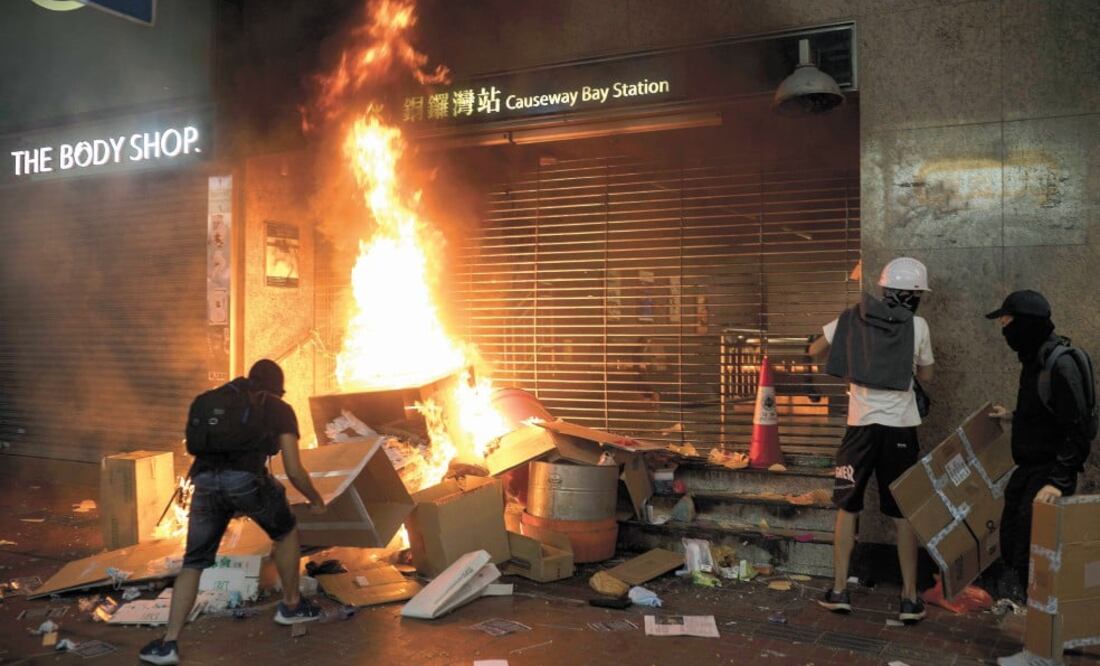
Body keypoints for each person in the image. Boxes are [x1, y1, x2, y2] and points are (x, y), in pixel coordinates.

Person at [140, 359, 327, 666]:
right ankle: (291, 607)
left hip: (204, 482)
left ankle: (168, 643)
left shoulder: (221, 398)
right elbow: (293, 469)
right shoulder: (279, 408)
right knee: (286, 530)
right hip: (245, 481)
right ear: (278, 389)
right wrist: (316, 499)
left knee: (194, 562)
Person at [808, 257, 934, 624]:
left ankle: (838, 591)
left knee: (848, 506)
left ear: (884, 289)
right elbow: (928, 373)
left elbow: (815, 349)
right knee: (902, 512)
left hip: (860, 427)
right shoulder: (919, 325)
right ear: (915, 296)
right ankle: (909, 599)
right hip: (901, 429)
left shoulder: (853, 316)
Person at [986, 291, 1093, 595]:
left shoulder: (1061, 365)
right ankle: (1030, 616)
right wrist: (1013, 417)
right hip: (1029, 468)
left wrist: (1058, 482)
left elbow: (1078, 428)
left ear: (1026, 325)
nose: (1003, 331)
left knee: (1032, 551)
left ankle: (1042, 630)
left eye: (1007, 323)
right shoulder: (1034, 359)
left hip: (1049, 473)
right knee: (1012, 539)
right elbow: (1045, 412)